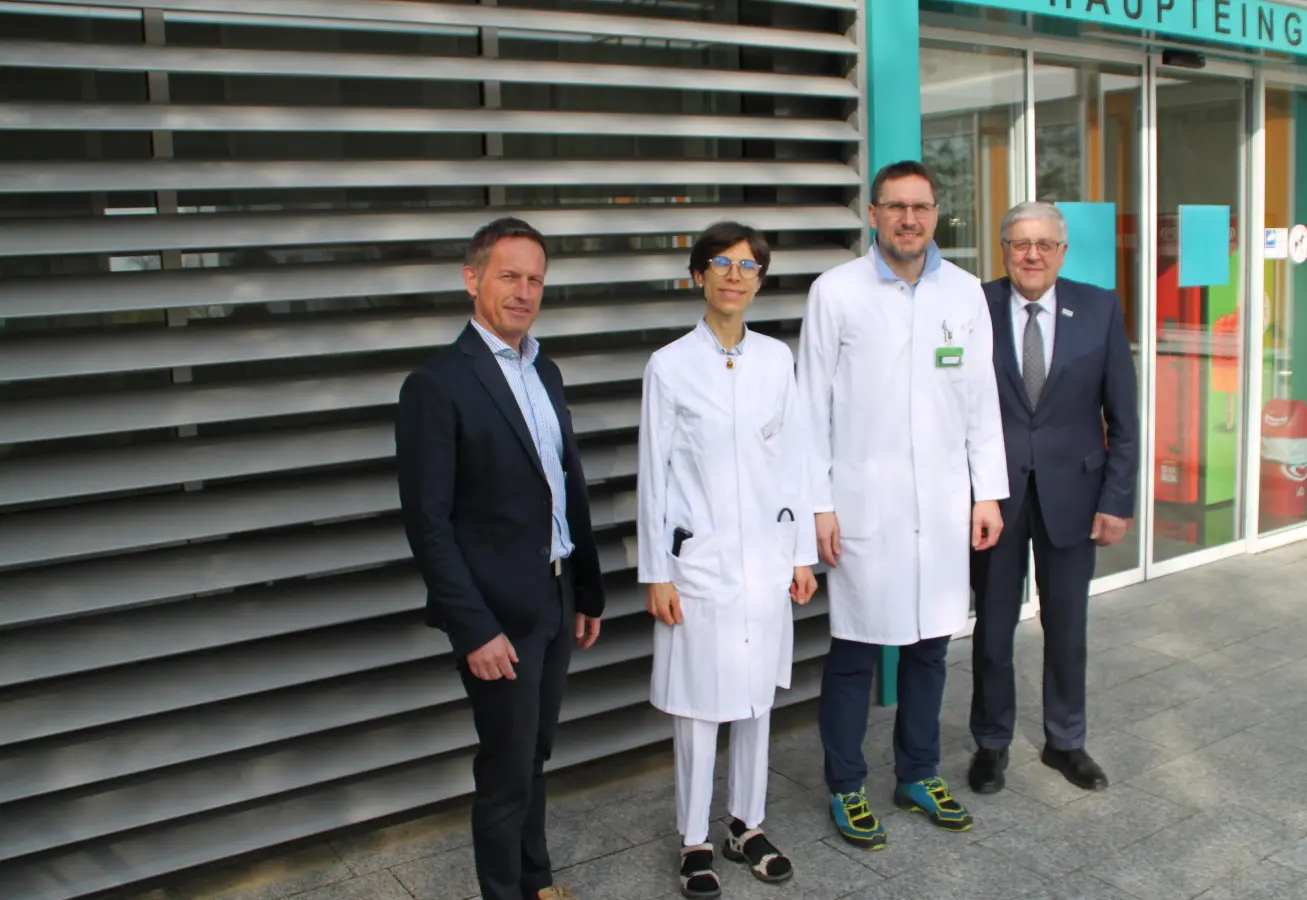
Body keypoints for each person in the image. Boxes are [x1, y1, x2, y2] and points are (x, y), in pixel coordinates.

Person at [796, 160, 1009, 850]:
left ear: (937, 213)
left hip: (944, 506)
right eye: (895, 207)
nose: (908, 220)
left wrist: (989, 494)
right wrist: (819, 506)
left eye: (920, 207)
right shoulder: (836, 292)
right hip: (863, 507)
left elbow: (981, 403)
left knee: (929, 648)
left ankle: (917, 773)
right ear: (873, 213)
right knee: (855, 650)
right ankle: (847, 784)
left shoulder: (967, 292)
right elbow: (810, 408)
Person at [395, 217, 606, 900]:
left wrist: (586, 593)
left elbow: (564, 486)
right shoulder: (436, 386)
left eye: (535, 278)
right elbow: (428, 527)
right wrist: (474, 629)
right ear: (472, 278)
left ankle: (536, 882)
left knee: (534, 757)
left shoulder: (543, 366)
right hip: (497, 619)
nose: (523, 291)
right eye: (509, 275)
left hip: (554, 598)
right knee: (506, 771)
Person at [637, 221, 819, 898]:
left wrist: (801, 553)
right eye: (722, 264)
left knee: (754, 702)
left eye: (749, 266)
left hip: (765, 562)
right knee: (698, 709)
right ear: (698, 277)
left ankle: (748, 824)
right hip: (699, 564)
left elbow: (794, 459)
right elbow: (653, 473)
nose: (735, 276)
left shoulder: (777, 359)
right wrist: (657, 570)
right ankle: (693, 840)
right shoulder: (670, 365)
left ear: (760, 281)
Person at [967, 201, 1137, 796]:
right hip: (994, 496)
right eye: (1020, 244)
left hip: (1076, 493)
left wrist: (1117, 499)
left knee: (1067, 627)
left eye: (1043, 244)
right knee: (992, 628)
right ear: (1004, 249)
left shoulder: (1099, 308)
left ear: (1062, 251)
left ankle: (1066, 742)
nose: (1031, 254)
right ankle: (991, 742)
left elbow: (1125, 416)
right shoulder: (973, 306)